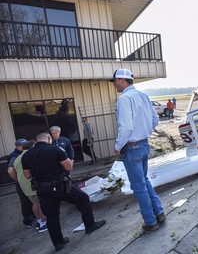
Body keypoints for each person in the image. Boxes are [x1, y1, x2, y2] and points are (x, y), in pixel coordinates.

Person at [22, 131, 106, 252]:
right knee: (83, 199)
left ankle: (58, 243)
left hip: (42, 189)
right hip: (60, 186)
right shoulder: (55, 149)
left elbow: (27, 175)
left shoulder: (27, 155)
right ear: (48, 139)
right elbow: (69, 167)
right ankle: (90, 225)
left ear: (37, 140)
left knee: (51, 216)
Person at [109, 68, 165, 232]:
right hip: (144, 144)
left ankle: (150, 221)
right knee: (144, 181)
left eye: (115, 81)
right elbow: (155, 119)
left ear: (122, 80)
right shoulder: (143, 95)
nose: (114, 84)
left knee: (138, 186)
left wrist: (118, 146)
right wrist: (144, 131)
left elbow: (125, 127)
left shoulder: (124, 99)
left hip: (132, 147)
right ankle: (159, 212)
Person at [13, 139, 48, 233]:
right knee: (39, 204)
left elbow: (13, 171)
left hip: (24, 185)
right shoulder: (29, 156)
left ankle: (39, 221)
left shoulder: (17, 158)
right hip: (31, 184)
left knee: (34, 203)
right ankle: (43, 223)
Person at [7, 138, 35, 227]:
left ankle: (35, 217)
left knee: (32, 200)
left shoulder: (22, 154)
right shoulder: (14, 156)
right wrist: (18, 180)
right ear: (19, 146)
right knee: (25, 201)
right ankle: (28, 221)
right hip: (22, 182)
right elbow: (10, 171)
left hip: (25, 181)